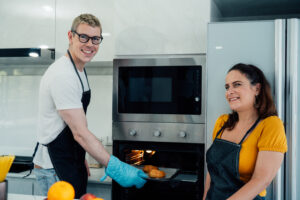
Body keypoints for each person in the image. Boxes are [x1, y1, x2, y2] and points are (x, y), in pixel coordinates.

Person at [32, 13, 147, 198]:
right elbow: (80, 132)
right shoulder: (63, 75)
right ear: (70, 36)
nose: (90, 45)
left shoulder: (78, 69)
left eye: (95, 39)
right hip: (53, 168)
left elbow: (73, 125)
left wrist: (80, 155)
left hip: (69, 160)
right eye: (83, 37)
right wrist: (115, 167)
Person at [202, 63, 287, 200]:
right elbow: (213, 171)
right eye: (227, 87)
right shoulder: (222, 122)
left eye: (237, 84)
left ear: (257, 89)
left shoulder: (270, 125)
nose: (230, 91)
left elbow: (261, 180)